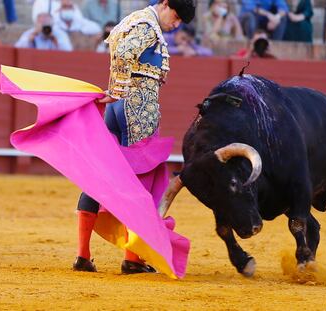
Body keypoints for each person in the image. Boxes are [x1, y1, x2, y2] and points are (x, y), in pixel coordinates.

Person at [72, 0, 195, 274]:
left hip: (118, 109)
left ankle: (83, 254)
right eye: (175, 17)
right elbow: (126, 51)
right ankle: (133, 259)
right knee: (141, 179)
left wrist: (116, 93)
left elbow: (118, 45)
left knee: (102, 175)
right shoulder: (148, 25)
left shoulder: (133, 19)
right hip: (138, 108)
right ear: (165, 4)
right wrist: (118, 90)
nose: (175, 25)